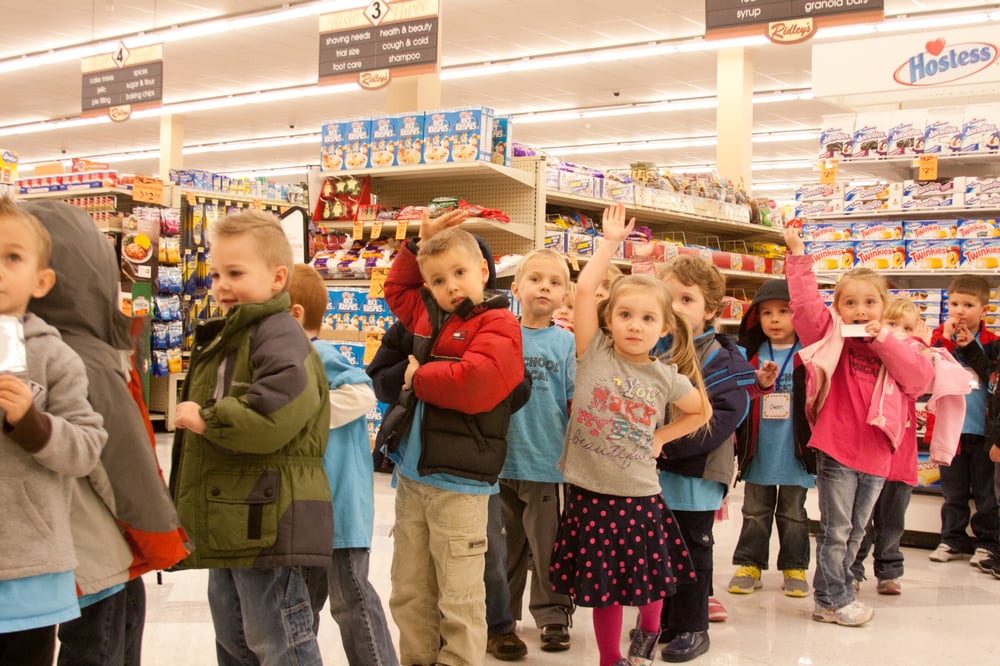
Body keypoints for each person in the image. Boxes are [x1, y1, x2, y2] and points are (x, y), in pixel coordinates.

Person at [24, 200, 190, 666]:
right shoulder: (84, 356)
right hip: (95, 550)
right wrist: (160, 536)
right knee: (105, 643)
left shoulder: (29, 345)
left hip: (39, 551)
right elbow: (124, 465)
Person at [550, 202, 712, 666]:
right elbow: (583, 292)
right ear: (609, 320)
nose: (634, 325)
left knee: (650, 583)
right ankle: (608, 659)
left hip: (640, 496)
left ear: (663, 328)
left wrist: (663, 438)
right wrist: (609, 244)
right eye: (625, 314)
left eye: (646, 318)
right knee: (604, 592)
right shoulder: (593, 351)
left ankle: (648, 632)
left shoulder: (665, 376)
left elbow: (699, 412)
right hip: (587, 493)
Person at [169, 210, 332, 665]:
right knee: (235, 634)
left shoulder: (278, 333)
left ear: (277, 278)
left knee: (279, 636)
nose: (221, 284)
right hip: (234, 512)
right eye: (216, 273)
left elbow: (275, 411)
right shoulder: (234, 334)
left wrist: (208, 419)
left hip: (267, 519)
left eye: (235, 273)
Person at [383, 209, 525, 666]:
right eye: (439, 281)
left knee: (460, 598)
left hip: (460, 485)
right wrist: (416, 246)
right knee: (409, 590)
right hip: (413, 476)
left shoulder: (500, 324)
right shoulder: (430, 317)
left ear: (484, 271)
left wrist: (418, 376)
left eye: (460, 273)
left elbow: (478, 383)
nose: (451, 287)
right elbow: (397, 291)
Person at [783, 225, 934, 627]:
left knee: (855, 533)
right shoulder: (830, 337)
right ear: (838, 308)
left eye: (870, 302)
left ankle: (838, 590)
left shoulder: (897, 347)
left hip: (878, 453)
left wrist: (884, 339)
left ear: (884, 309)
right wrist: (798, 256)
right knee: (837, 530)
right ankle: (831, 598)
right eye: (850, 302)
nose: (860, 309)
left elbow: (918, 381)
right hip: (837, 449)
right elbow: (805, 306)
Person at [0, 197, 107, 665]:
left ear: (41, 281)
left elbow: (86, 447)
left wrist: (32, 423)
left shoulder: (54, 356)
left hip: (29, 571)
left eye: (12, 257)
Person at [638, 254, 758, 661]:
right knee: (658, 550)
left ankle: (692, 626)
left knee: (692, 548)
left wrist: (662, 446)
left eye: (686, 300)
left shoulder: (725, 361)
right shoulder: (649, 349)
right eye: (667, 298)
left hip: (697, 473)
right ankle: (666, 620)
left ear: (711, 310)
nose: (674, 309)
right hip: (651, 473)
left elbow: (723, 418)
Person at [289, 264, 398, 666]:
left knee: (351, 597)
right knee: (302, 602)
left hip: (341, 506)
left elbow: (363, 394)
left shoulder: (316, 353)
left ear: (293, 315)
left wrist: (304, 411)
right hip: (311, 509)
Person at [500, 248, 576, 656]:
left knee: (549, 547)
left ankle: (552, 616)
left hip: (547, 463)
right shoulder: (500, 334)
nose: (544, 286)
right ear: (516, 288)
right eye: (535, 278)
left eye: (555, 281)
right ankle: (502, 616)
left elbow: (573, 400)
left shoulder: (566, 344)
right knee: (506, 546)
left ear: (565, 295)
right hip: (500, 463)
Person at [730, 279, 816, 599]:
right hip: (759, 448)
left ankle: (795, 565)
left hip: (796, 449)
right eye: (767, 313)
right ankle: (749, 563)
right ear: (756, 318)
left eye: (784, 311)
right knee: (754, 509)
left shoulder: (810, 354)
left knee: (794, 512)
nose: (775, 319)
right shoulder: (747, 354)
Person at [928, 275, 1000, 566]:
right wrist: (945, 339)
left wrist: (971, 346)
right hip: (950, 431)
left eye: (968, 304)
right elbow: (927, 371)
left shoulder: (993, 344)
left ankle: (987, 543)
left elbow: (993, 380)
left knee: (986, 494)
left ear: (984, 310)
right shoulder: (938, 337)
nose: (959, 310)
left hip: (982, 432)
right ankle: (952, 539)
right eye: (954, 303)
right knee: (953, 491)